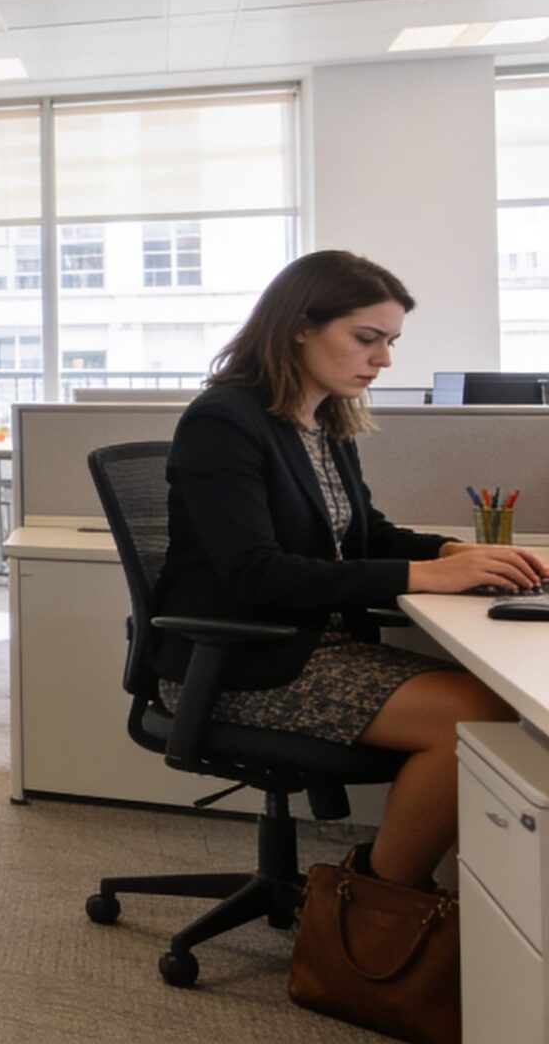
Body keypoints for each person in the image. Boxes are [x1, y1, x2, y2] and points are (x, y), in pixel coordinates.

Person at [162, 250, 533, 889]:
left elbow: (365, 535)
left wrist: (454, 555)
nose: (384, 359)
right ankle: (374, 915)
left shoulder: (322, 421)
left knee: (497, 704)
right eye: (367, 338)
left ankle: (405, 904)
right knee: (477, 719)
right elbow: (257, 573)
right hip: (240, 660)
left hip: (313, 645)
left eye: (390, 341)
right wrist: (421, 578)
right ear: (300, 325)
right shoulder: (224, 421)